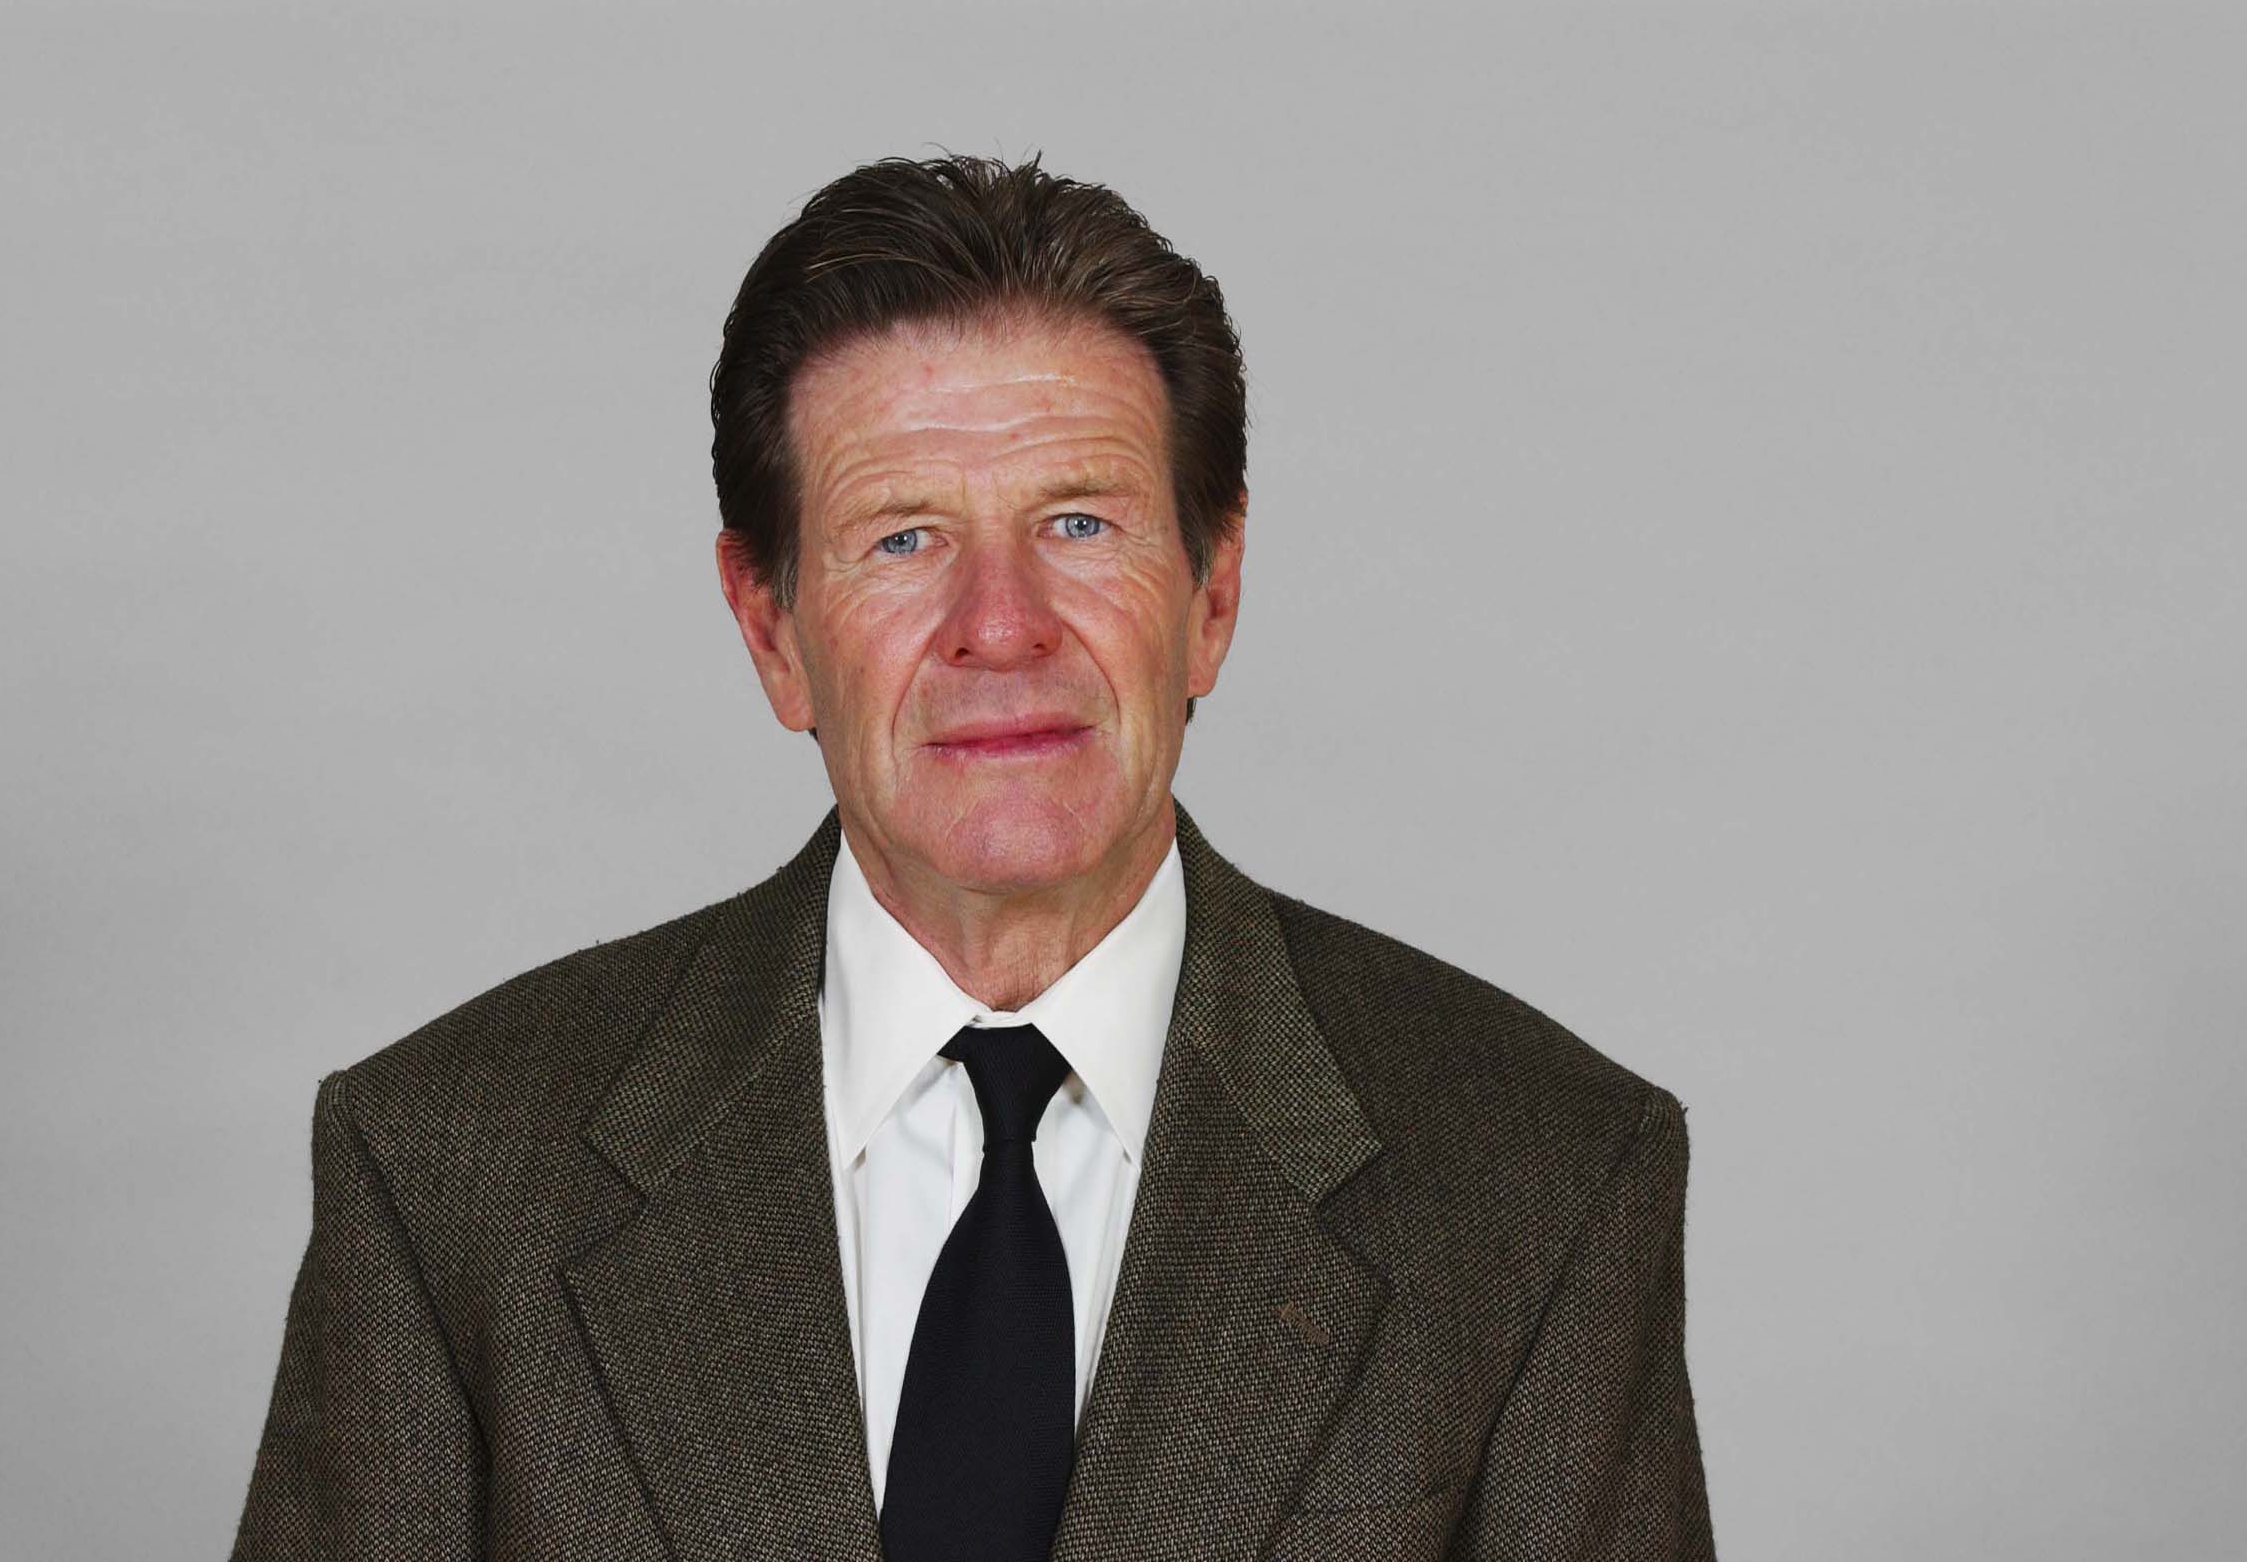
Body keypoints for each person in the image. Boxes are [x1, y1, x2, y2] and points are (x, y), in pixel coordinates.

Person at [230, 152, 1716, 1562]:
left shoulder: (1543, 1180)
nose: (999, 624)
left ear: (1213, 592)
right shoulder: (448, 1173)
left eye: (1079, 522)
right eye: (902, 539)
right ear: (771, 630)